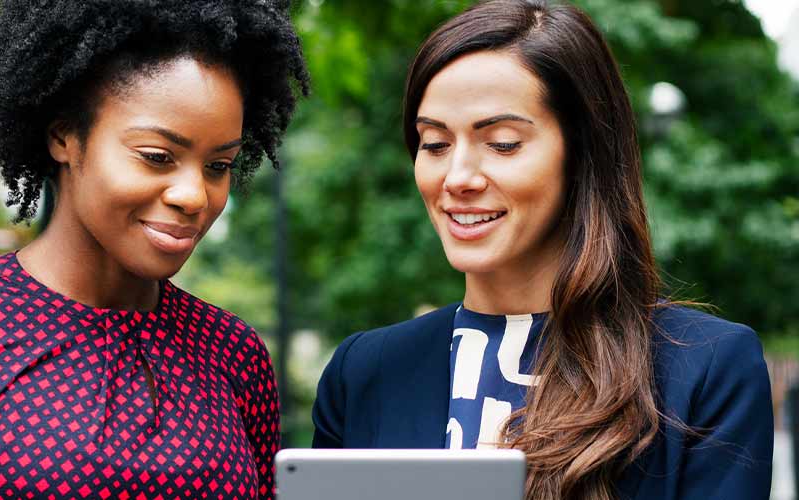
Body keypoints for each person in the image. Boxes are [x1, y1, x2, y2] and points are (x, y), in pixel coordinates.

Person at [0, 1, 310, 499]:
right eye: (157, 157)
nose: (194, 195)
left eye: (218, 166)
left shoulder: (233, 354)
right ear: (64, 137)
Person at [310, 1, 773, 499]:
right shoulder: (365, 371)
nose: (458, 177)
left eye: (503, 143)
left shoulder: (705, 368)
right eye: (435, 144)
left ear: (582, 155)